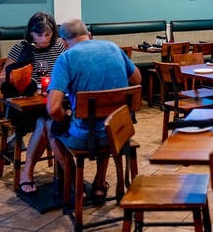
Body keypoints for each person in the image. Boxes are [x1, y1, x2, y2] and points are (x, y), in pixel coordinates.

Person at [45, 19, 142, 198]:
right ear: (90, 35)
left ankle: (76, 184)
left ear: (64, 42)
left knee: (51, 129)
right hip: (119, 133)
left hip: (85, 139)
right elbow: (137, 79)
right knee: (106, 121)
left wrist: (66, 119)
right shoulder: (113, 48)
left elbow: (53, 108)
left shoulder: (66, 58)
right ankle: (99, 184)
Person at [0, 11, 66, 196]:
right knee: (45, 121)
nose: (43, 39)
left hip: (51, 99)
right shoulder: (20, 48)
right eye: (38, 35)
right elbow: (0, 79)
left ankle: (53, 175)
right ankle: (29, 173)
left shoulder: (59, 47)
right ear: (30, 33)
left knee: (51, 120)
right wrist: (15, 77)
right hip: (27, 104)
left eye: (47, 34)